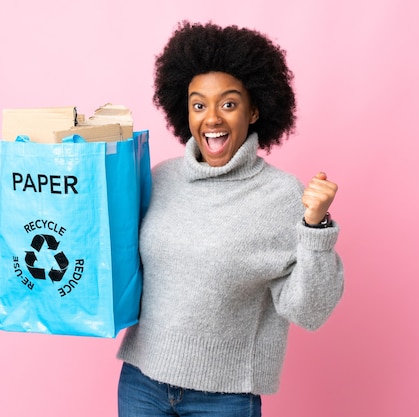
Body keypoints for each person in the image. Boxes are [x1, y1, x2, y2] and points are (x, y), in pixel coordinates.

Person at [117, 21, 344, 417]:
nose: (212, 118)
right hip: (141, 384)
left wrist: (316, 228)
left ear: (254, 110)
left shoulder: (282, 196)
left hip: (224, 398)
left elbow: (309, 310)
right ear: (184, 111)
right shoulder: (161, 178)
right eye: (199, 105)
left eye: (229, 103)